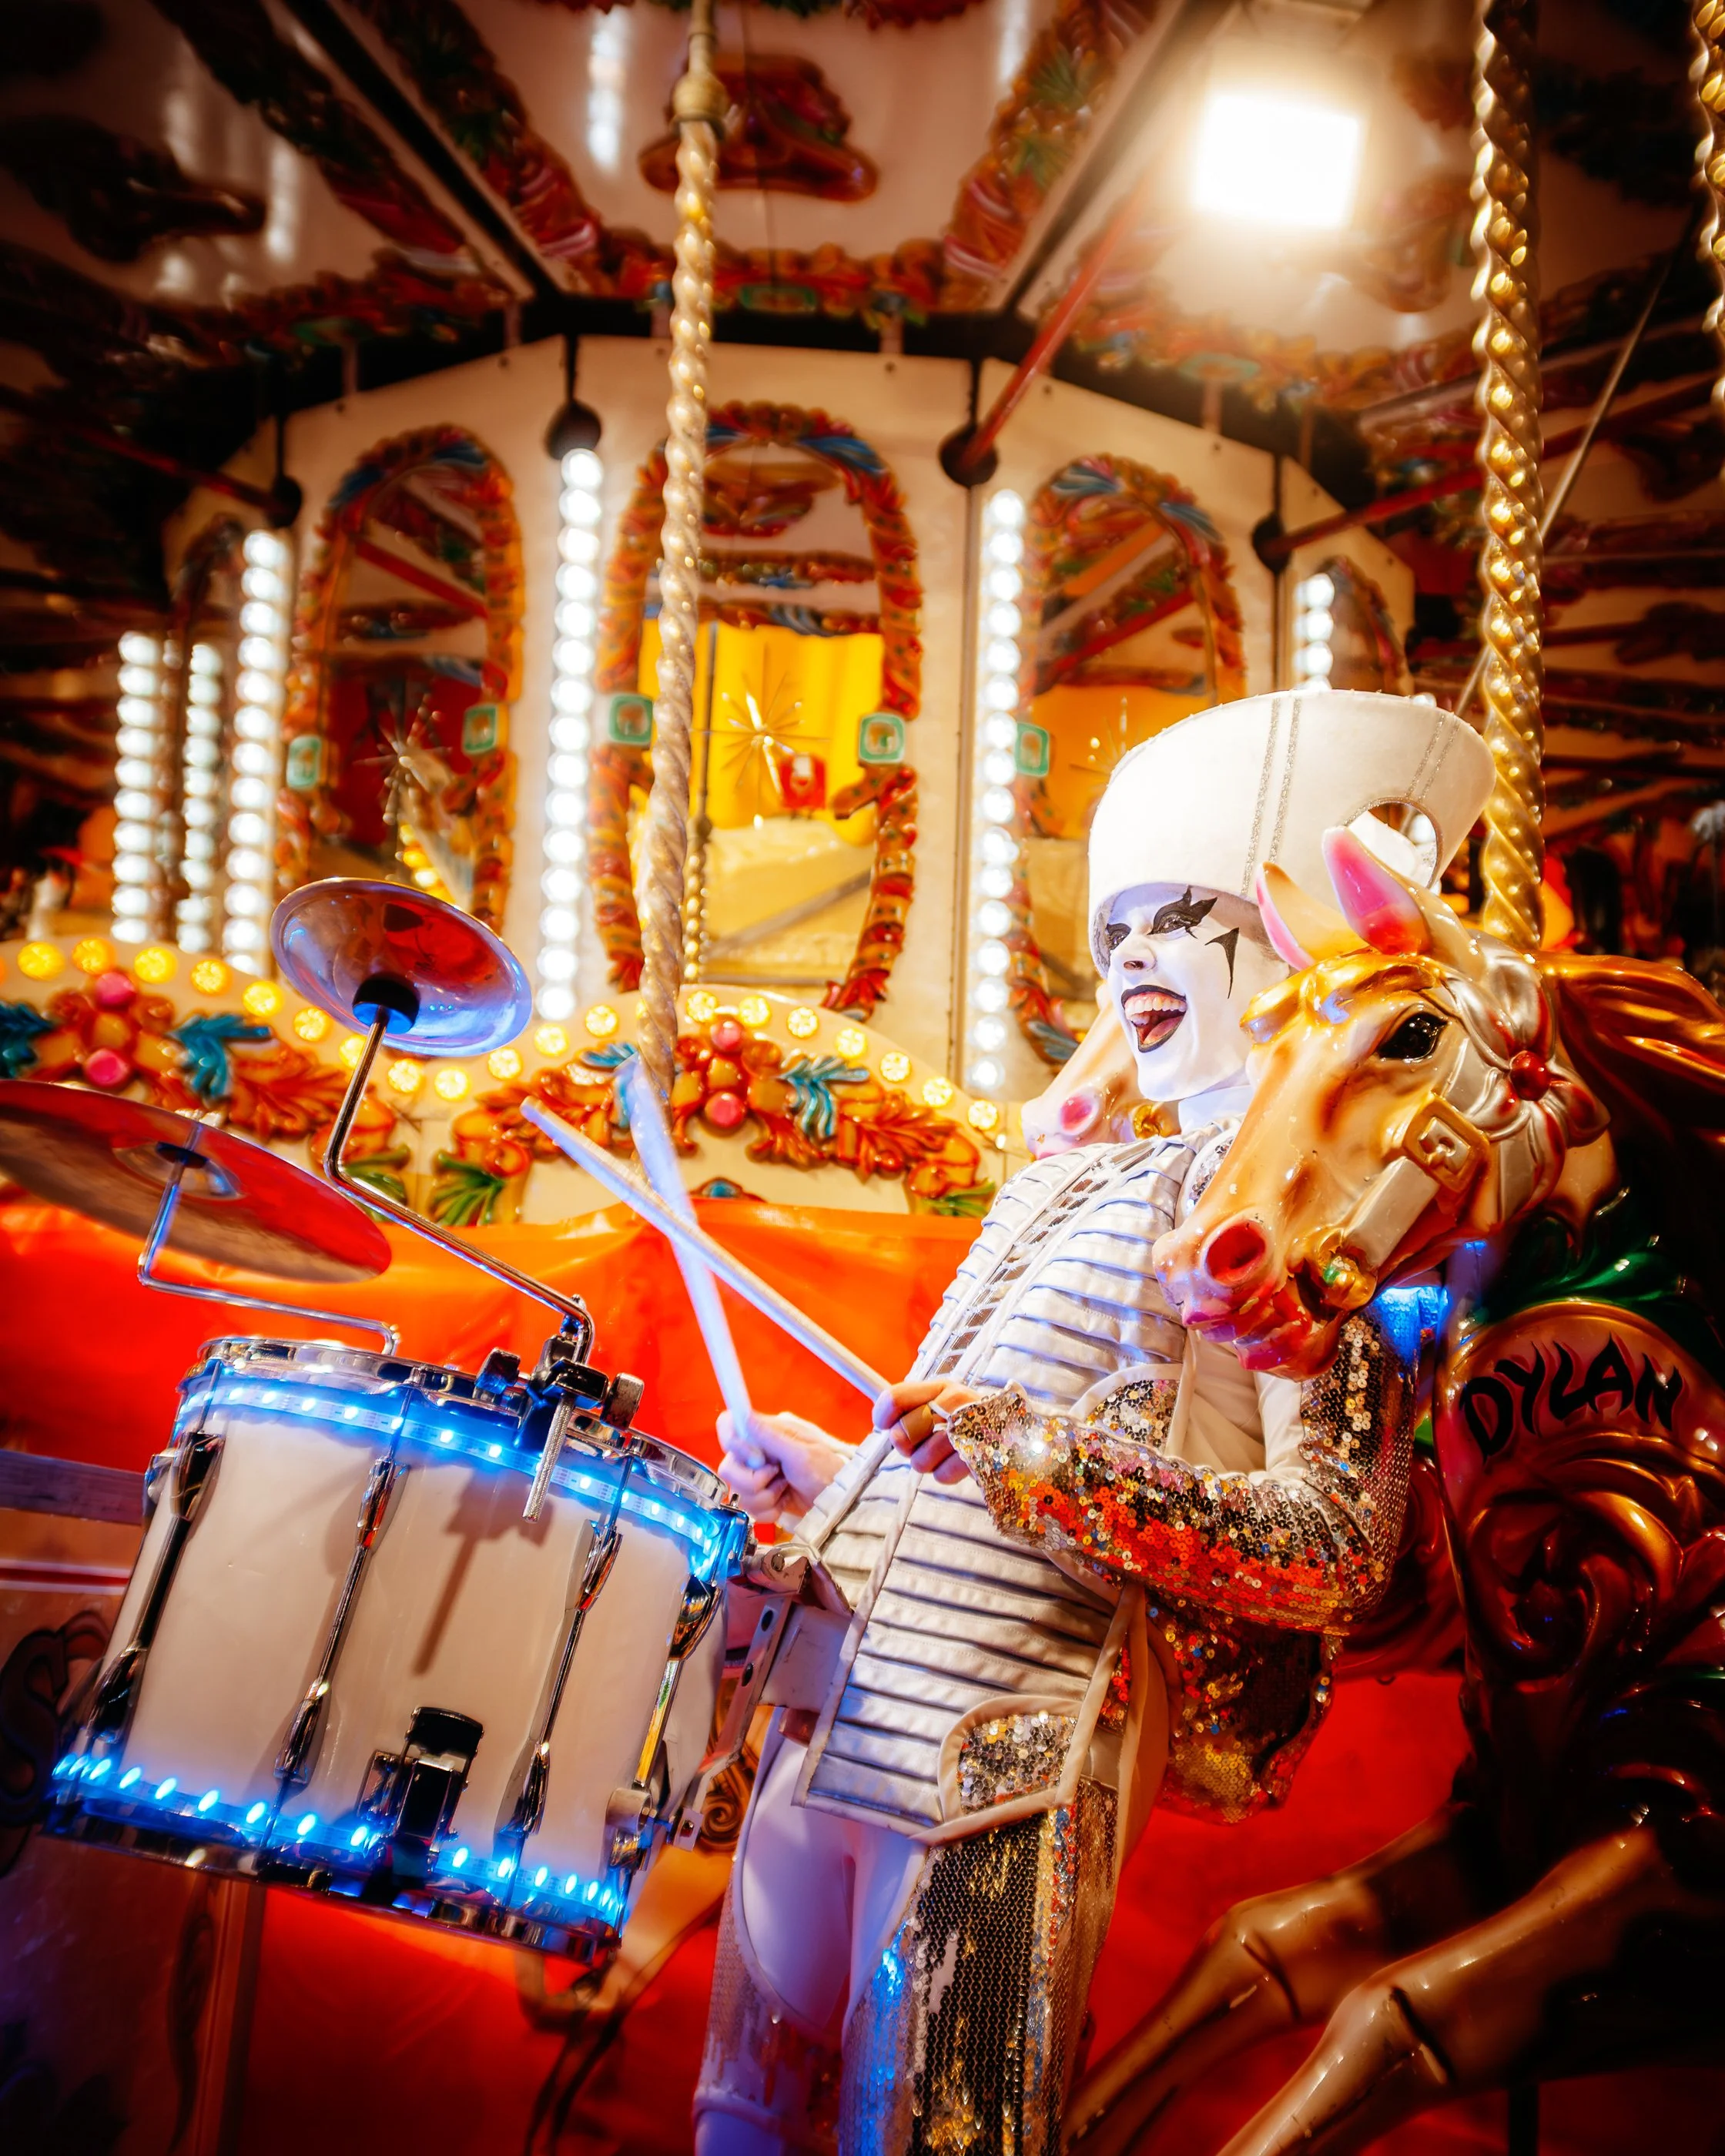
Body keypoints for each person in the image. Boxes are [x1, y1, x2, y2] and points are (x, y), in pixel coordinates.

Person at [693, 690, 1494, 2155]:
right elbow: (971, 1451)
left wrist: (1037, 1460)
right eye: (1117, 925)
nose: (1129, 952)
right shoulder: (1048, 1189)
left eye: (1179, 916)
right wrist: (837, 1472)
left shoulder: (1302, 1237)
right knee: (741, 2124)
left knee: (944, 2135)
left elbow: (1331, 1550)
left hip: (1011, 1748)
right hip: (827, 1704)